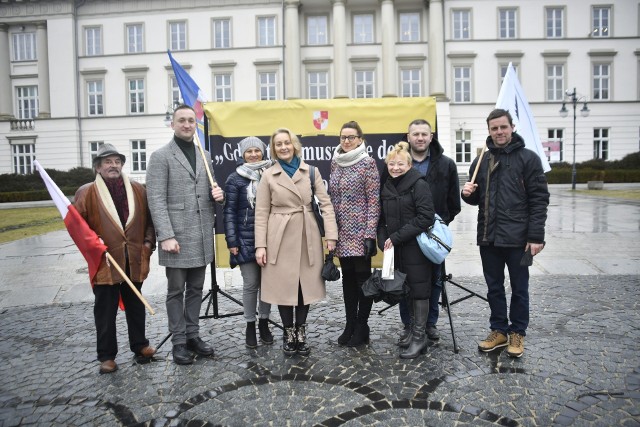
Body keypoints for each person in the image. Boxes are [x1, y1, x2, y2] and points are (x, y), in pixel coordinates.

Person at [461, 108, 549, 358]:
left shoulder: (528, 159)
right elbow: (477, 199)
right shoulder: (481, 161)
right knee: (494, 287)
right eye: (494, 128)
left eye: (503, 127)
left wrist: (536, 236)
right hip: (489, 237)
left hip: (519, 239)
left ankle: (518, 332)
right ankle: (498, 330)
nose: (499, 132)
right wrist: (467, 194)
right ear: (488, 131)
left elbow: (539, 199)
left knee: (520, 288)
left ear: (512, 127)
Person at [146, 104, 225, 365]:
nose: (187, 125)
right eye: (182, 120)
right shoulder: (161, 156)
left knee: (195, 289)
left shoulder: (205, 155)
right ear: (173, 124)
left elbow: (210, 192)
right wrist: (165, 235)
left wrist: (219, 197)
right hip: (176, 237)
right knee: (175, 290)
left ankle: (193, 335)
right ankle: (178, 341)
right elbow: (155, 199)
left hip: (201, 235)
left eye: (191, 120)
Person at [254, 128, 338, 356]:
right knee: (283, 286)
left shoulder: (311, 171)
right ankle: (288, 332)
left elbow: (326, 204)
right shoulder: (268, 176)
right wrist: (260, 245)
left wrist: (331, 235)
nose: (283, 147)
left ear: (294, 145)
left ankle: (300, 331)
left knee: (304, 286)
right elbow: (261, 212)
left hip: (306, 232)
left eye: (286, 143)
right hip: (278, 235)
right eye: (278, 144)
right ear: (274, 149)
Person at [74, 143, 156, 374]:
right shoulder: (86, 192)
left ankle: (140, 345)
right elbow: (78, 227)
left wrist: (147, 246)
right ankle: (107, 356)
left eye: (117, 161)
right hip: (105, 261)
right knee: (105, 310)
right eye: (108, 162)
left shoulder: (138, 190)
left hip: (134, 257)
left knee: (136, 305)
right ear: (98, 168)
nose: (114, 165)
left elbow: (150, 222)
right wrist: (93, 247)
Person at [401, 119, 461, 342]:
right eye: (415, 133)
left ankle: (430, 324)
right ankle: (408, 324)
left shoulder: (446, 164)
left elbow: (454, 204)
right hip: (406, 236)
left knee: (435, 280)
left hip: (432, 237)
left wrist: (437, 225)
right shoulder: (399, 163)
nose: (420, 138)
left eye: (424, 134)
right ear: (408, 137)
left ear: (431, 136)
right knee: (405, 281)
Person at [377, 142, 435, 359]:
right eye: (392, 164)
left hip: (416, 247)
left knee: (419, 290)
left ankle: (420, 338)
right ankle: (411, 331)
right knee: (406, 289)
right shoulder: (387, 185)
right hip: (396, 249)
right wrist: (383, 239)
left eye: (400, 164)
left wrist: (396, 237)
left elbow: (425, 217)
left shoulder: (419, 184)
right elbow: (381, 218)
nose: (396, 168)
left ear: (409, 165)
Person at [329, 121, 380, 347]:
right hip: (342, 233)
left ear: (360, 139)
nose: (346, 141)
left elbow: (374, 200)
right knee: (348, 281)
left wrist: (370, 234)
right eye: (343, 137)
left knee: (362, 282)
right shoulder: (336, 163)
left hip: (360, 233)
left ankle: (362, 325)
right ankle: (349, 324)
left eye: (351, 137)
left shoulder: (368, 164)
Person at [223, 136, 274, 348]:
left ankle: (264, 322)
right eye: (248, 151)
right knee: (251, 284)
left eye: (257, 150)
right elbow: (229, 213)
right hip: (245, 240)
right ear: (242, 154)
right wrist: (232, 241)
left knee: (268, 285)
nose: (253, 154)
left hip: (271, 239)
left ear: (263, 152)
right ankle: (250, 325)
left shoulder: (272, 174)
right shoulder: (234, 179)